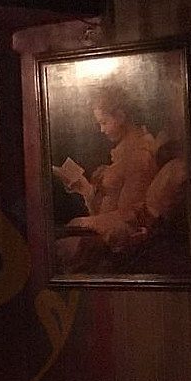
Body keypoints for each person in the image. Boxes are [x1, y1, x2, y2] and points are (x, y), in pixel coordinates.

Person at [53, 87, 161, 271]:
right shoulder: (125, 152)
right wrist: (86, 190)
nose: (102, 130)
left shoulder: (139, 155)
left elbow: (129, 216)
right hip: (104, 229)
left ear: (120, 116)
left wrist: (83, 222)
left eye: (104, 122)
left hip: (117, 240)